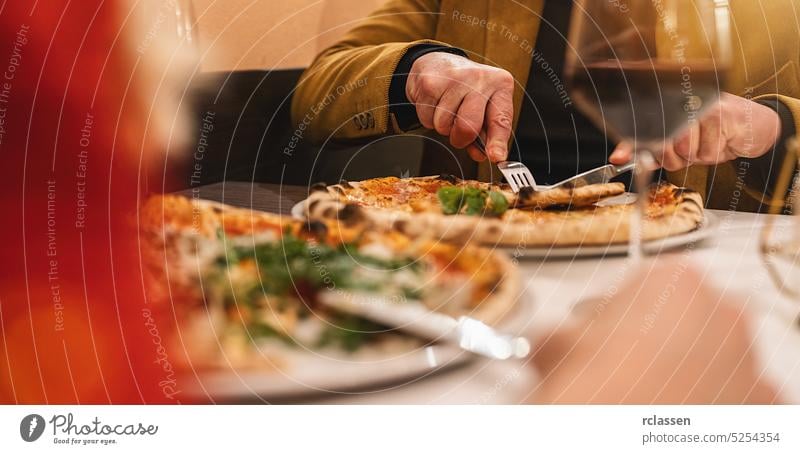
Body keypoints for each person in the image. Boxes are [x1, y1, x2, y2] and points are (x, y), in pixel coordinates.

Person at [293, 0, 800, 212]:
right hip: (485, 259)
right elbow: (312, 98)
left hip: (698, 278)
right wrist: (418, 69)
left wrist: (773, 125)